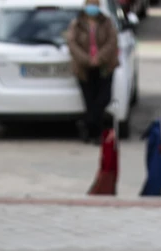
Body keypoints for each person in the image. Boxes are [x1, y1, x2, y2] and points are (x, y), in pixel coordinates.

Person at [64, 4, 118, 145]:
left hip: (104, 66)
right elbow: (72, 43)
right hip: (84, 68)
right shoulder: (77, 24)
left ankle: (87, 125)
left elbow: (112, 42)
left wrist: (98, 58)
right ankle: (94, 133)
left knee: (103, 99)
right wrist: (87, 59)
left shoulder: (106, 22)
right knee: (90, 101)